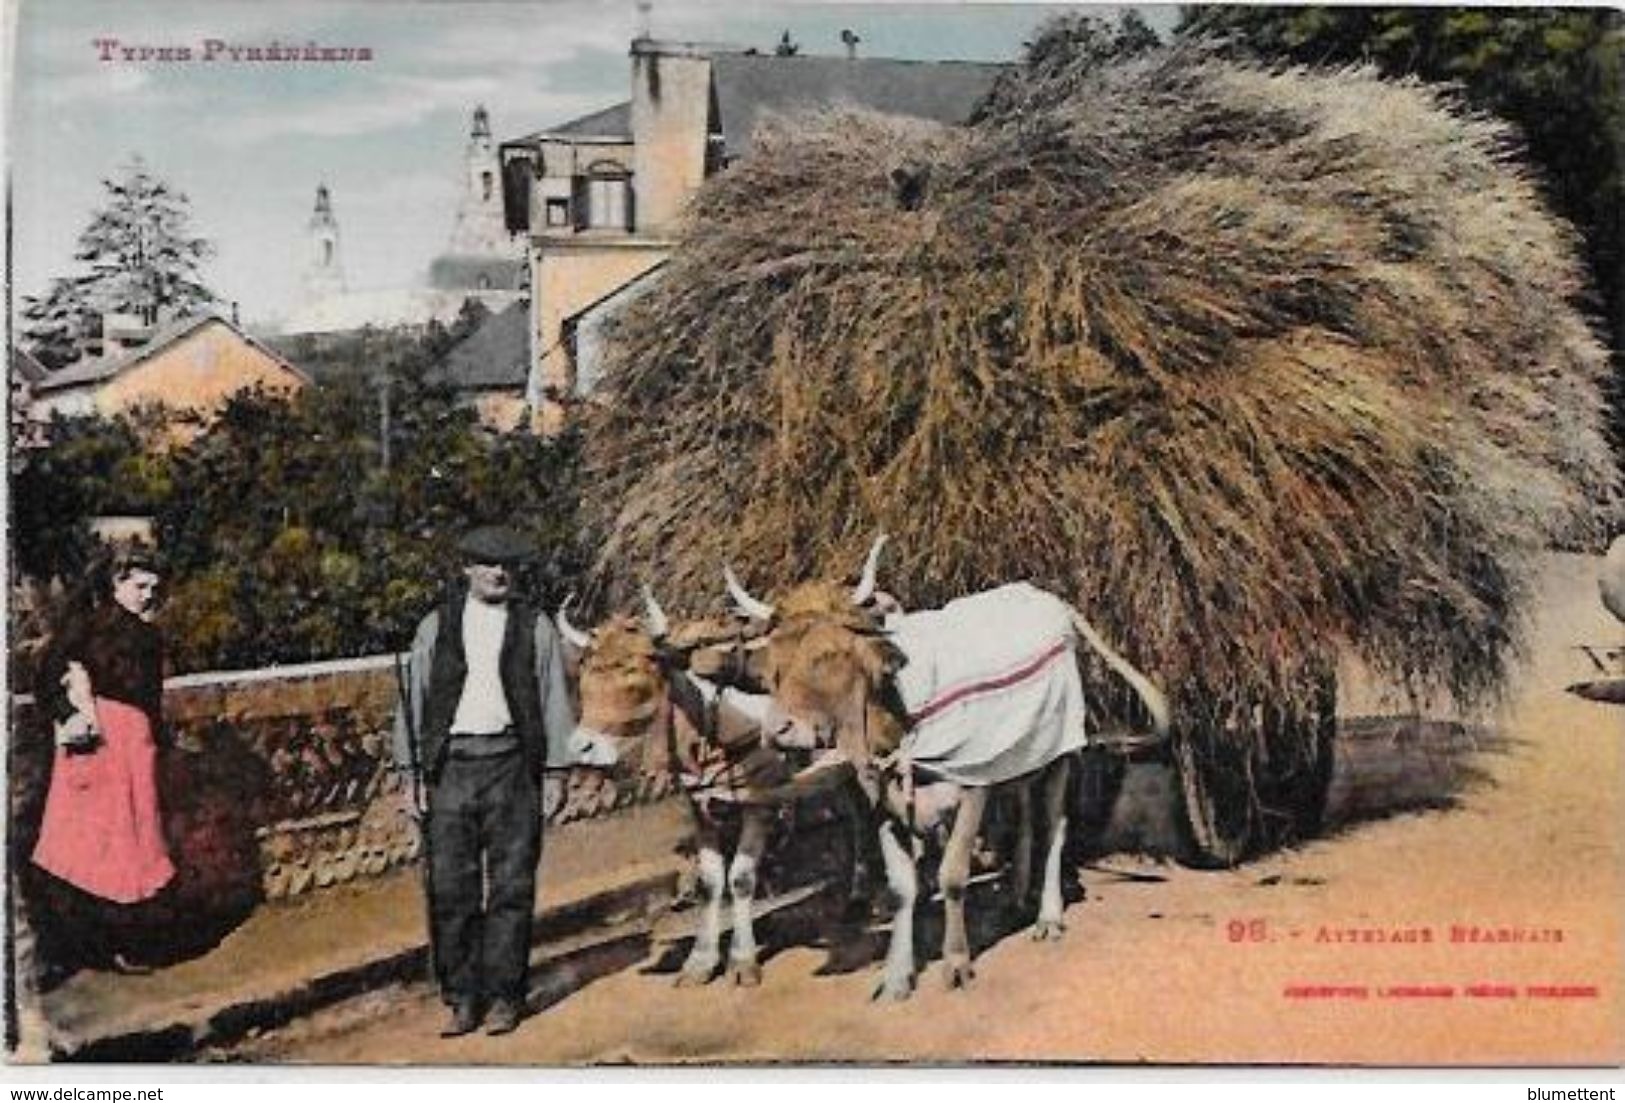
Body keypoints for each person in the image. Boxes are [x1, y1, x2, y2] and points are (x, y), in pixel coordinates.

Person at [393, 525, 610, 1038]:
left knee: (512, 887)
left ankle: (505, 998)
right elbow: (411, 701)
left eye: (508, 565)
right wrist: (409, 775)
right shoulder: (435, 627)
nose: (499, 573)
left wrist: (555, 772)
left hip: (512, 767)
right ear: (466, 569)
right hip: (450, 770)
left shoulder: (534, 627)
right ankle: (462, 998)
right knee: (451, 889)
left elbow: (556, 701)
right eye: (488, 564)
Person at [31, 548, 176, 975]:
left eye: (154, 588)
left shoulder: (149, 636)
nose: (148, 595)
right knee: (93, 843)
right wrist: (69, 716)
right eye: (139, 586)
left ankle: (115, 946)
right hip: (97, 742)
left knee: (129, 844)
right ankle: (83, 947)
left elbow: (152, 700)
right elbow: (46, 674)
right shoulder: (90, 626)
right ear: (115, 585)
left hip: (136, 744)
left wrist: (156, 741)